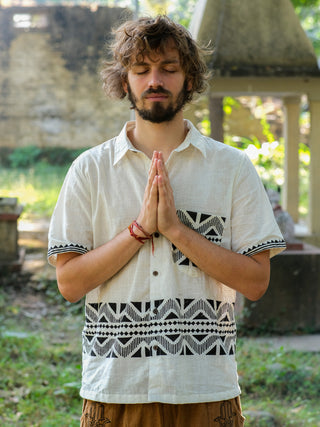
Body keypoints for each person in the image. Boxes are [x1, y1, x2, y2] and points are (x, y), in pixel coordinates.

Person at [48, 15, 286, 427]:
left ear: (189, 80)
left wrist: (177, 231)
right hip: (115, 391)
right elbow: (69, 285)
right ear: (124, 82)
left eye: (169, 69)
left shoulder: (232, 168)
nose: (154, 80)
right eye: (141, 70)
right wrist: (139, 231)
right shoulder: (90, 170)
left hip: (206, 393)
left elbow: (255, 281)